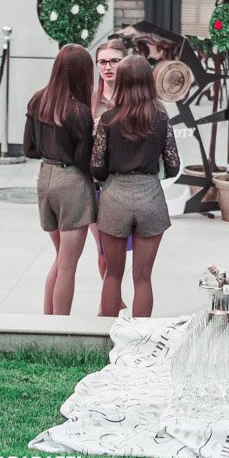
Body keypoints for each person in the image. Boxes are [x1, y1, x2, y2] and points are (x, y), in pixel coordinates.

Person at [91, 57, 180, 317]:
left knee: (112, 274)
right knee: (143, 278)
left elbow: (96, 166)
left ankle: (106, 335)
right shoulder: (160, 119)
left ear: (121, 82)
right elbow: (173, 164)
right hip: (150, 196)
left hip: (115, 196)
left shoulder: (108, 119)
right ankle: (141, 337)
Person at [23, 44, 96, 315]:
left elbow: (29, 149)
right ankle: (60, 327)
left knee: (60, 258)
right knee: (68, 265)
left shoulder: (37, 100)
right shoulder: (79, 112)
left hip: (45, 178)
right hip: (71, 183)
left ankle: (48, 321)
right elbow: (83, 161)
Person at [89, 39, 129, 296]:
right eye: (102, 62)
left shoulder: (133, 98)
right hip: (95, 182)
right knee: (103, 248)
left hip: (125, 182)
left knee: (123, 249)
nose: (108, 67)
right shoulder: (90, 99)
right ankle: (113, 301)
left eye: (114, 61)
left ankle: (112, 301)